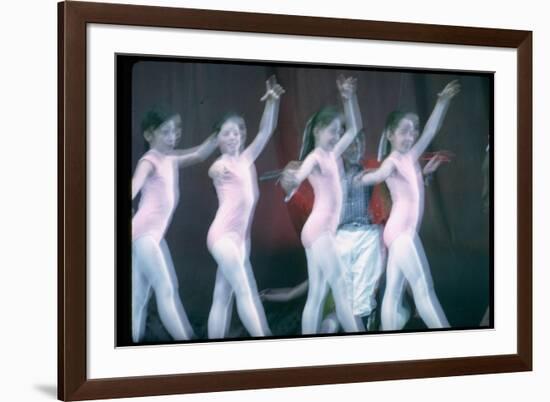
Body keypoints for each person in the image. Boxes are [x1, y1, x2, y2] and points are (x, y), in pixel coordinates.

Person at [354, 80, 460, 330]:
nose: (410, 136)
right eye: (404, 131)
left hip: (399, 232)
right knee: (423, 289)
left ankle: (386, 337)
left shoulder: (409, 157)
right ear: (390, 134)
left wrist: (442, 102)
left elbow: (431, 131)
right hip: (401, 232)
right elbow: (379, 176)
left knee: (393, 289)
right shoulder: (392, 160)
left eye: (413, 131)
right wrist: (362, 178)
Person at [281, 75, 365, 334]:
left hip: (319, 231)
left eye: (337, 132)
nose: (337, 135)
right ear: (317, 131)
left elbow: (354, 129)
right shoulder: (316, 157)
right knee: (339, 288)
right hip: (319, 231)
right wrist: (291, 179)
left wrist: (349, 98)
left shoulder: (333, 153)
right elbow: (299, 175)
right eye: (332, 131)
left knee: (317, 294)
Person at [206, 76, 285, 338]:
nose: (233, 137)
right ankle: (265, 340)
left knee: (222, 296)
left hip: (242, 240)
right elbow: (214, 170)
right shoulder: (222, 164)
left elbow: (266, 131)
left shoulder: (246, 158)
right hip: (222, 236)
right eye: (227, 133)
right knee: (245, 289)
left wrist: (272, 102)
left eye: (237, 132)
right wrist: (216, 170)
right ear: (218, 138)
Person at [131, 111, 217, 343]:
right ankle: (187, 342)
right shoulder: (149, 160)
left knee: (139, 297)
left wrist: (219, 132)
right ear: (150, 134)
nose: (172, 137)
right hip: (144, 233)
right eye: (165, 132)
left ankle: (131, 342)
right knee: (166, 288)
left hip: (152, 236)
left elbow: (199, 153)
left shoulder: (170, 158)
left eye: (174, 132)